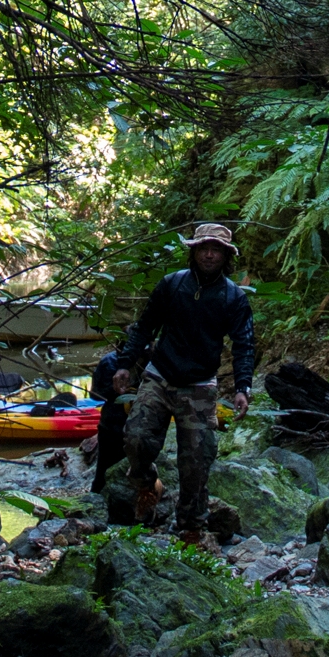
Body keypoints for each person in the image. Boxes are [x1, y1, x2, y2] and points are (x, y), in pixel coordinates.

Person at [103, 221, 257, 541]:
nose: (210, 255)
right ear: (194, 251)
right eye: (204, 248)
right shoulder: (172, 285)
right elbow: (145, 327)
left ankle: (190, 524)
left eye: (217, 250)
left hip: (200, 385)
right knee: (136, 438)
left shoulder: (233, 298)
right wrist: (124, 366)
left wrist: (243, 387)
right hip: (159, 375)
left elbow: (243, 344)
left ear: (226, 256)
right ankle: (149, 486)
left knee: (197, 460)